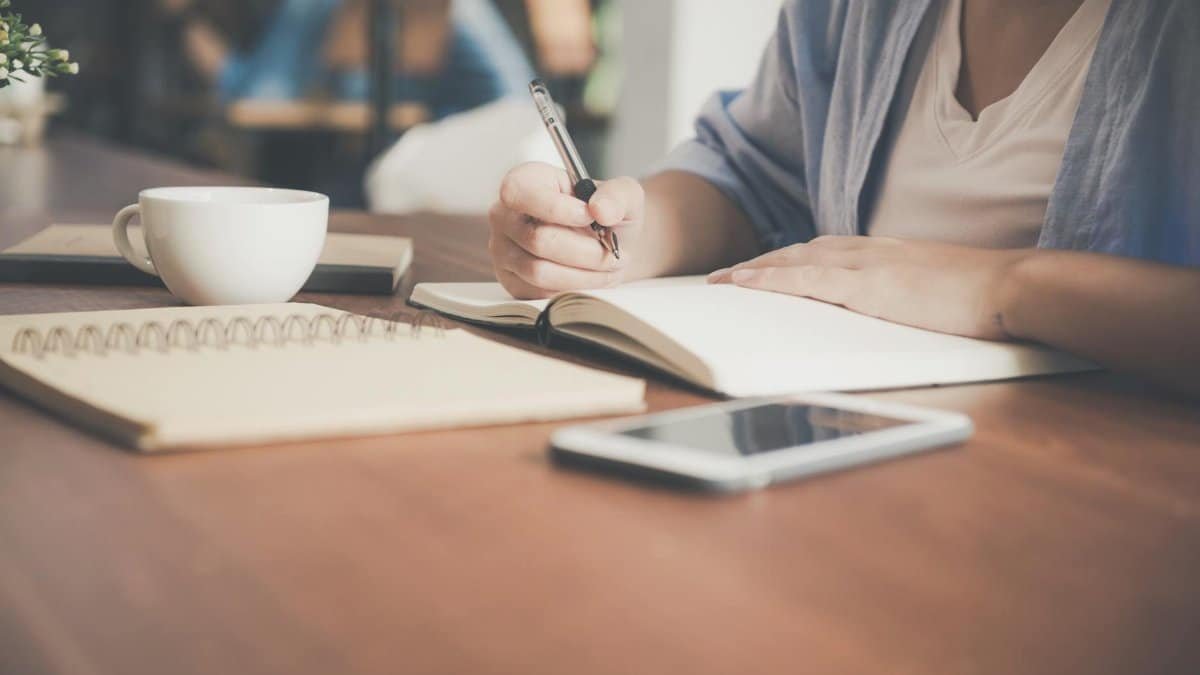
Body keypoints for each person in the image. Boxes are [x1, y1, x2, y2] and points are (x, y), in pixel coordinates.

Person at [487, 0, 1200, 396]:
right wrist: (625, 236)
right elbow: (754, 173)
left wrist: (1001, 287)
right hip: (848, 449)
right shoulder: (851, 13)